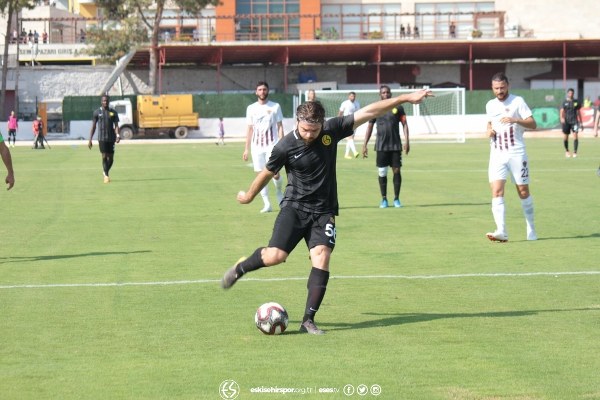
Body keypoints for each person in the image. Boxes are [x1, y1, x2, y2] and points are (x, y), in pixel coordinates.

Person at [221, 88, 433, 335]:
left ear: (322, 123)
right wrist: (248, 197)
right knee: (275, 256)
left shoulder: (332, 130)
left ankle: (308, 320)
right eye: (304, 130)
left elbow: (370, 111)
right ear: (297, 123)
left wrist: (406, 98)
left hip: (324, 211)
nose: (309, 134)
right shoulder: (285, 145)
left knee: (321, 256)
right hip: (294, 208)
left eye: (314, 129)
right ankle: (241, 268)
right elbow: (266, 173)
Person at [485, 72, 537, 243]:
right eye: (496, 88)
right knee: (496, 191)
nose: (499, 91)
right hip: (497, 154)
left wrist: (515, 120)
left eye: (502, 87)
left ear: (508, 85)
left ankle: (531, 228)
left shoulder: (518, 101)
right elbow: (490, 123)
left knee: (523, 192)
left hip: (516, 152)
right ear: (492, 88)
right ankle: (501, 231)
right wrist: (489, 131)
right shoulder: (490, 105)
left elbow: (533, 123)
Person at [362, 85, 409, 208]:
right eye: (383, 92)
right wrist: (364, 144)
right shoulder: (376, 108)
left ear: (391, 93)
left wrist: (407, 141)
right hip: (381, 146)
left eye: (388, 92)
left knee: (397, 171)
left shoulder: (398, 107)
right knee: (382, 172)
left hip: (395, 145)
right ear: (380, 94)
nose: (386, 94)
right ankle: (384, 199)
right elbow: (370, 127)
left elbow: (405, 124)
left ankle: (397, 199)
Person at [244, 81, 284, 213]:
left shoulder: (275, 107)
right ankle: (267, 204)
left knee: (275, 173)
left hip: (272, 145)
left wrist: (283, 144)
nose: (262, 92)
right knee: (260, 176)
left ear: (268, 91)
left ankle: (279, 192)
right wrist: (246, 149)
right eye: (260, 89)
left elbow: (279, 126)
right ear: (256, 92)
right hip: (256, 147)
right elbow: (249, 129)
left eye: (264, 89)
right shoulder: (251, 108)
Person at [88, 95, 120, 183]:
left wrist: (117, 135)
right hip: (101, 138)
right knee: (104, 156)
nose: (105, 102)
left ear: (108, 101)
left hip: (111, 138)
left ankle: (105, 171)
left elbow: (116, 125)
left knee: (111, 158)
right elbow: (94, 126)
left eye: (106, 101)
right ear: (101, 102)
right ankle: (106, 176)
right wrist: (90, 139)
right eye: (103, 101)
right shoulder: (97, 112)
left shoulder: (113, 112)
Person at [560, 88, 583, 158]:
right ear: (568, 93)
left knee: (575, 136)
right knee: (565, 137)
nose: (571, 94)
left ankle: (575, 152)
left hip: (574, 121)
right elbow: (561, 111)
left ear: (573, 94)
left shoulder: (576, 102)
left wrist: (581, 122)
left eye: (572, 93)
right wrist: (562, 118)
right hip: (566, 122)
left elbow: (579, 112)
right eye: (569, 93)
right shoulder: (564, 102)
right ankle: (567, 151)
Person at [338, 91, 361, 159]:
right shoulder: (345, 103)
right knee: (350, 137)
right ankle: (355, 152)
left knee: (350, 139)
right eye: (351, 96)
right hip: (346, 121)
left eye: (354, 96)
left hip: (355, 122)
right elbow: (340, 112)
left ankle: (346, 154)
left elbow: (359, 113)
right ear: (349, 96)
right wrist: (338, 121)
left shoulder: (357, 103)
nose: (353, 97)